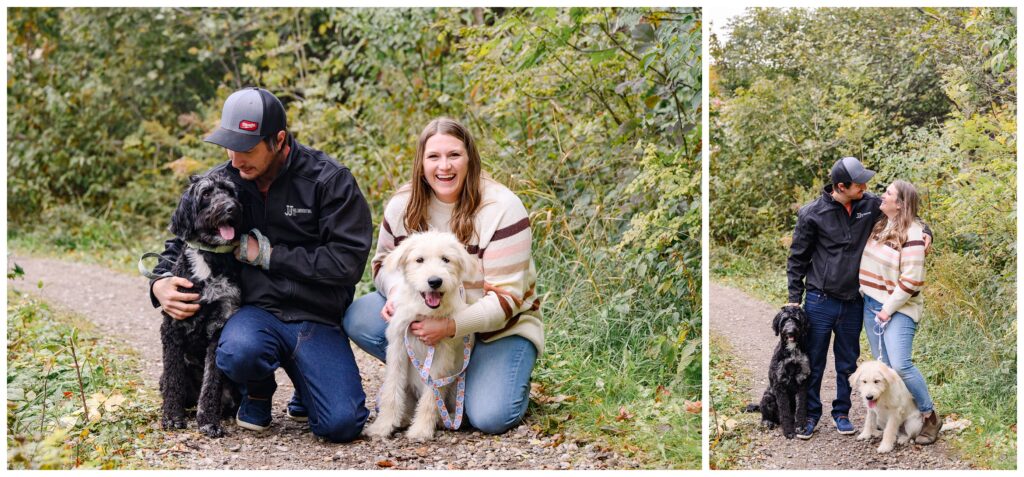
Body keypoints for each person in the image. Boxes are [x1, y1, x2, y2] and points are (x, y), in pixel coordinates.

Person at [149, 87, 374, 442]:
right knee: (239, 350)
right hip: (253, 316)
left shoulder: (329, 181)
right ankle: (257, 391)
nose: (237, 160)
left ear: (279, 140)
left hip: (314, 316)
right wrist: (159, 283)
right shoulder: (225, 178)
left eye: (248, 149)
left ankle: (307, 387)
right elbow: (182, 238)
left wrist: (268, 255)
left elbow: (346, 263)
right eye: (231, 148)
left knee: (341, 424)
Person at [343, 117, 543, 435]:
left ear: (470, 159)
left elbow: (508, 299)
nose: (444, 166)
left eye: (454, 155)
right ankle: (419, 386)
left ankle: (493, 378)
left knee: (491, 416)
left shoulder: (503, 208)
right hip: (428, 309)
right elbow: (383, 265)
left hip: (498, 329)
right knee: (360, 316)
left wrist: (449, 327)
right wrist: (395, 292)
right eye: (434, 157)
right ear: (421, 162)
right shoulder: (402, 206)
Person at [786, 156, 930, 440]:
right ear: (841, 186)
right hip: (819, 299)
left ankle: (841, 413)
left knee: (847, 362)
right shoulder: (812, 213)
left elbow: (905, 214)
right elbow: (797, 258)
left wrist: (927, 232)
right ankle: (811, 415)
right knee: (813, 360)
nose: (866, 186)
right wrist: (794, 298)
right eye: (859, 183)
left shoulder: (869, 204)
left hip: (854, 302)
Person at [858, 179, 940, 444]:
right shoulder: (882, 223)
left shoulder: (914, 234)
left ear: (901, 203)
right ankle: (893, 417)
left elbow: (912, 280)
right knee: (884, 369)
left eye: (889, 193)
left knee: (901, 366)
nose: (883, 196)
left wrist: (887, 309)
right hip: (871, 303)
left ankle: (929, 416)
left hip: (898, 308)